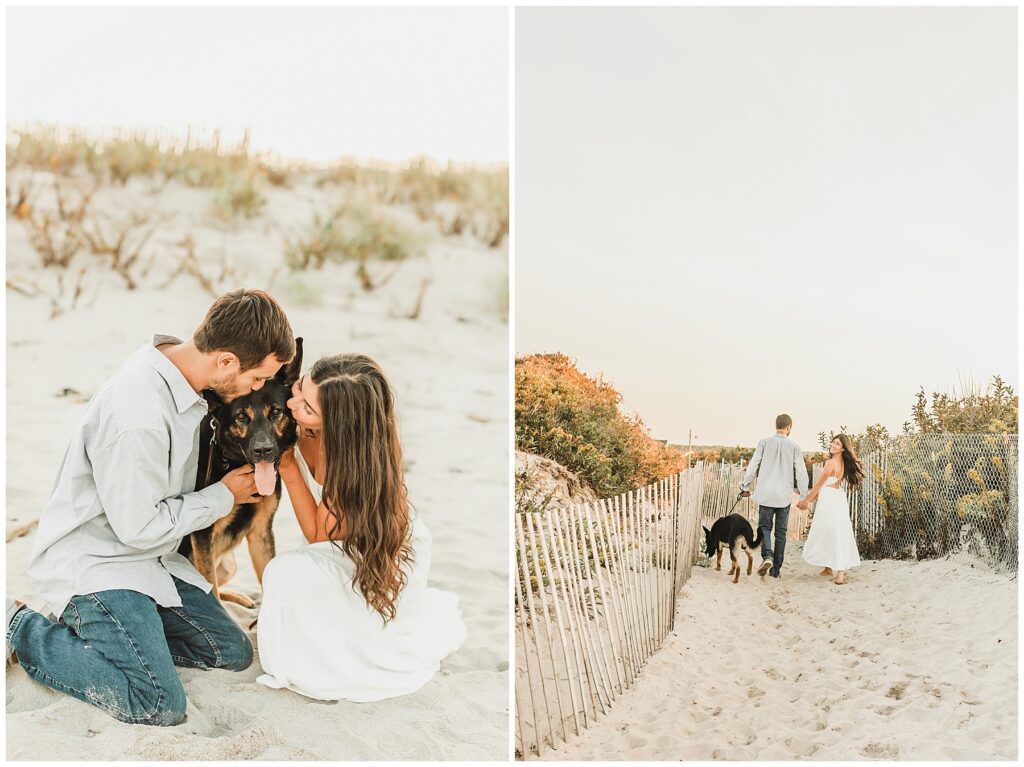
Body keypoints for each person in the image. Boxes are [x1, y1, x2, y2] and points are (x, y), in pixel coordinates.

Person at [5, 289, 295, 726]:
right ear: (226, 362)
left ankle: (125, 639)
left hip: (152, 563)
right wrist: (223, 497)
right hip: (101, 564)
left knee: (230, 652)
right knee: (156, 701)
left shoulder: (179, 368)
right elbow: (137, 529)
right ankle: (18, 625)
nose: (258, 388)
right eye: (256, 378)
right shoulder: (139, 414)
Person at [255, 353, 466, 702]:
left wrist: (289, 467)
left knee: (283, 572)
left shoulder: (353, 466)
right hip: (345, 536)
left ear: (339, 426)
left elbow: (318, 536)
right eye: (299, 388)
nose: (292, 403)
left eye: (307, 407)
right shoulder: (314, 414)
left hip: (368, 549)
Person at [739, 413, 809, 578]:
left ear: (776, 425)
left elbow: (753, 466)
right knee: (781, 532)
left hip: (765, 494)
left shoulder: (763, 443)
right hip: (783, 496)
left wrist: (746, 486)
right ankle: (775, 570)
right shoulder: (794, 447)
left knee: (764, 528)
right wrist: (803, 495)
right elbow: (801, 473)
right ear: (789, 427)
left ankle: (767, 556)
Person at [799, 434, 865, 585]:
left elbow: (818, 485)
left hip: (829, 499)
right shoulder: (843, 463)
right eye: (833, 442)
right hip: (838, 497)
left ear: (843, 448)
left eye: (837, 444)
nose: (833, 445)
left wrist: (806, 501)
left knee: (831, 531)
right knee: (835, 530)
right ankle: (828, 568)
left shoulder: (830, 463)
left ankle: (840, 573)